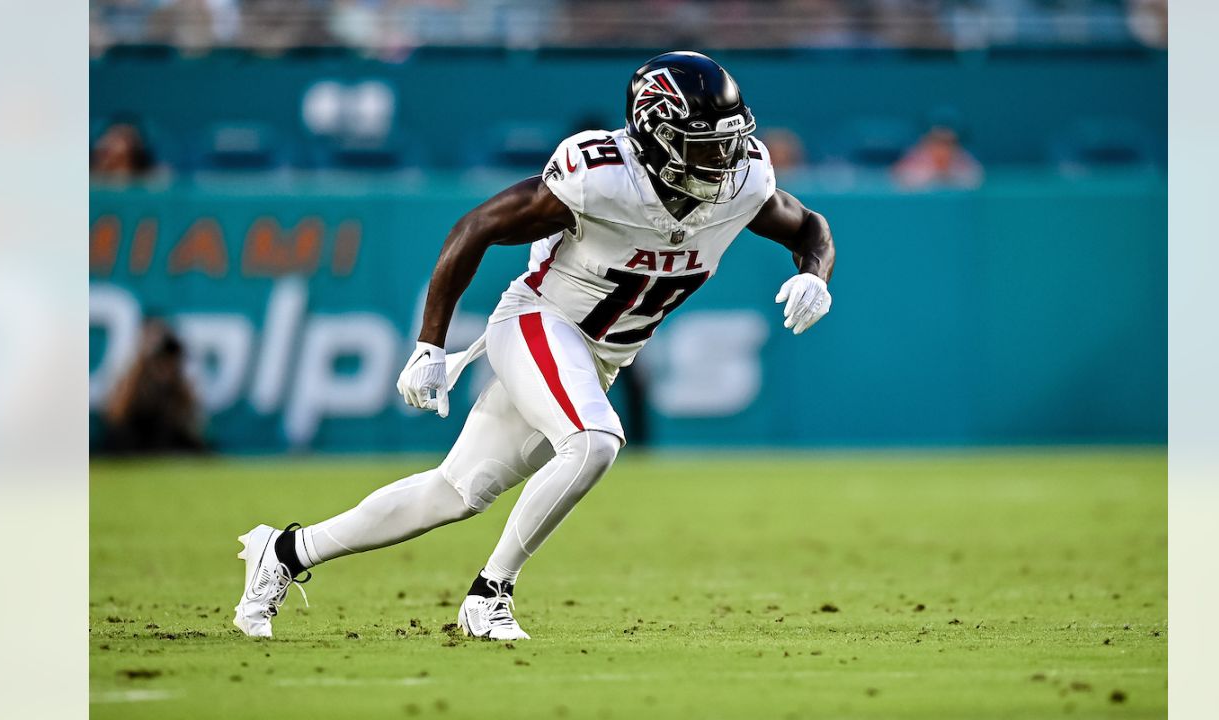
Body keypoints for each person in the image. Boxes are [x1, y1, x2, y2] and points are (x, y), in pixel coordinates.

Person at [233, 51, 836, 641]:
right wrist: (429, 344)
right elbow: (477, 227)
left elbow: (809, 227)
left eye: (729, 141)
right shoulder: (600, 177)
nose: (725, 158)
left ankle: (282, 550)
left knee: (455, 492)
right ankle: (489, 595)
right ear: (656, 133)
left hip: (600, 356)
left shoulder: (743, 182)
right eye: (705, 143)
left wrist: (814, 273)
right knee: (595, 441)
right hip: (539, 323)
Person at [102, 319, 207, 454]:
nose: (166, 365)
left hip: (167, 443)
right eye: (161, 359)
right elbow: (115, 416)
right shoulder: (132, 378)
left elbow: (190, 422)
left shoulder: (179, 386)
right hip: (134, 443)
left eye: (170, 359)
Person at [891, 125, 983, 190]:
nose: (942, 149)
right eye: (937, 142)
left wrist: (948, 175)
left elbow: (976, 180)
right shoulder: (913, 161)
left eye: (948, 144)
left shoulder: (964, 162)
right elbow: (899, 179)